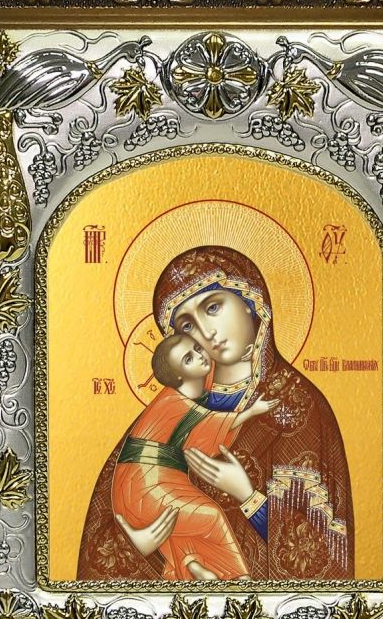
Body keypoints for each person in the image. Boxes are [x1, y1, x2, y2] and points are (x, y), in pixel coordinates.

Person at [78, 246, 354, 581]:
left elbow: (327, 550)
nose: (206, 332)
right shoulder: (168, 411)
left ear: (250, 300)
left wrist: (247, 496)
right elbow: (110, 524)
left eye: (212, 307)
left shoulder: (295, 405)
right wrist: (138, 544)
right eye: (187, 325)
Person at [111, 332, 277, 580]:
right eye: (189, 358)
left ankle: (192, 566)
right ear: (178, 375)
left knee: (184, 530)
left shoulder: (194, 392)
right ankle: (238, 580)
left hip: (158, 481)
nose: (200, 356)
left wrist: (248, 356)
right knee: (211, 517)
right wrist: (252, 411)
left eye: (198, 348)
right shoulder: (173, 401)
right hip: (146, 484)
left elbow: (201, 425)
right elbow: (210, 425)